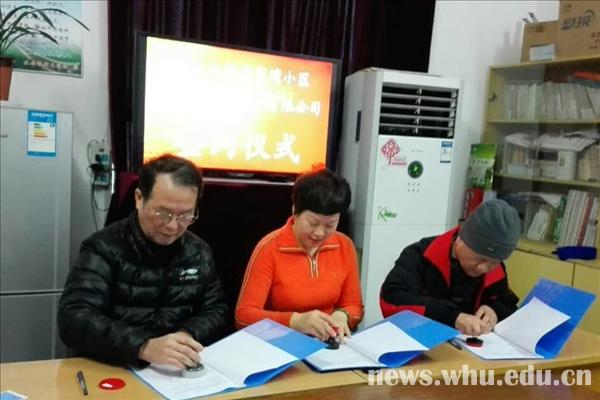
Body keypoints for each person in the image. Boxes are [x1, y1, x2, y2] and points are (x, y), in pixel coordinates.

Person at [58, 154, 228, 368]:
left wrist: (186, 336)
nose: (172, 226)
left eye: (185, 216)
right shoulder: (104, 247)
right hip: (111, 367)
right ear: (139, 198)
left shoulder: (198, 252)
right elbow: (74, 318)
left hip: (173, 371)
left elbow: (216, 310)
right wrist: (144, 346)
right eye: (163, 213)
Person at [235, 168, 363, 342]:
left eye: (330, 225)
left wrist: (343, 315)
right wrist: (294, 321)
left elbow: (354, 305)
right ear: (295, 210)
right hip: (280, 343)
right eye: (312, 222)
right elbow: (243, 316)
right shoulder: (270, 248)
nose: (319, 233)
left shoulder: (344, 246)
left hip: (328, 343)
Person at [380, 199, 521, 336]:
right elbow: (391, 299)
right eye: (479, 258)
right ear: (460, 239)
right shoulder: (419, 256)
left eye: (494, 261)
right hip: (417, 341)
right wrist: (452, 317)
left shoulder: (497, 271)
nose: (483, 268)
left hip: (466, 348)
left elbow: (510, 306)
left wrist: (494, 311)